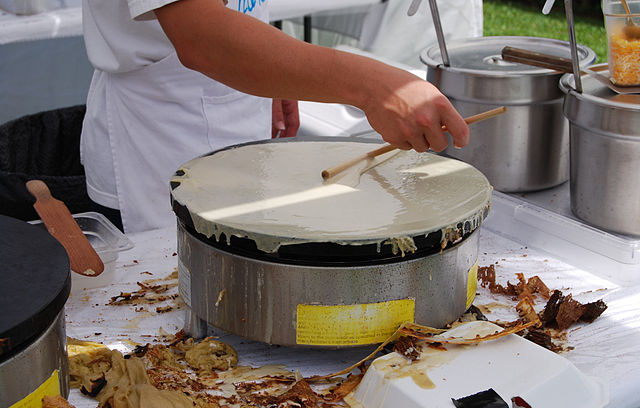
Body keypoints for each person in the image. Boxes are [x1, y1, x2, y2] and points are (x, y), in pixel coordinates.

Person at [81, 0, 469, 234]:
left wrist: (274, 76)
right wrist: (373, 88)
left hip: (236, 119)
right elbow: (200, 35)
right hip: (157, 140)